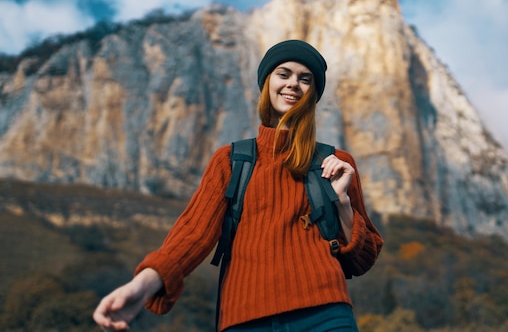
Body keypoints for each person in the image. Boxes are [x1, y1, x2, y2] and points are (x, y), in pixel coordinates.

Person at [93, 39, 384, 332]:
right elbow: (192, 235)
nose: (293, 84)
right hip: (244, 317)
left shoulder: (336, 162)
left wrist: (342, 202)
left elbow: (364, 259)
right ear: (267, 82)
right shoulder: (230, 161)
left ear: (313, 93)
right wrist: (141, 286)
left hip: (325, 314)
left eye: (305, 79)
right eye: (284, 74)